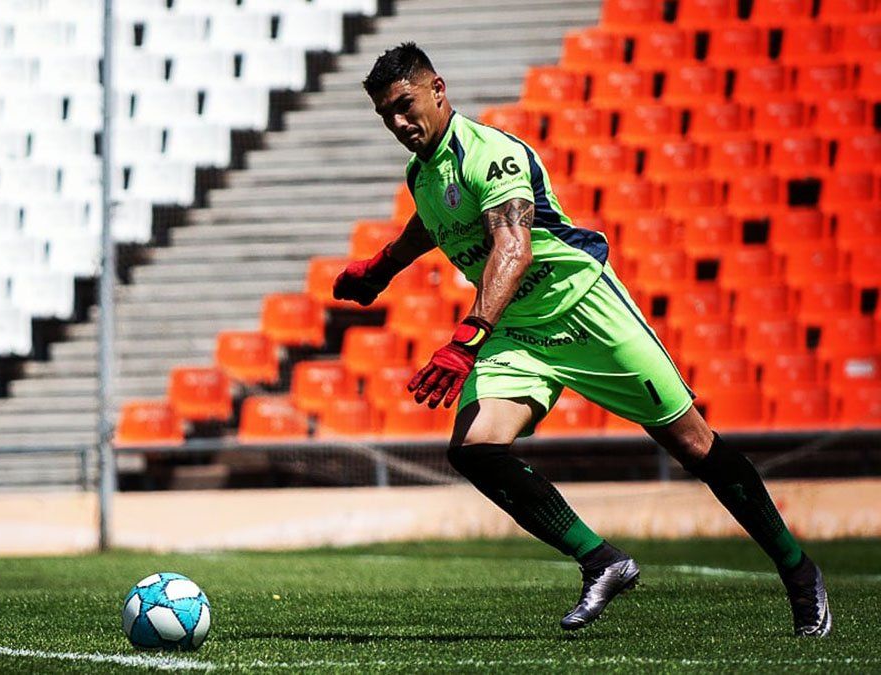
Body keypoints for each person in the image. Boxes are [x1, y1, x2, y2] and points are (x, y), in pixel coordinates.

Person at [334, 42, 830, 636]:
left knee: (695, 447)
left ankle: (799, 572)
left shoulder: (492, 154)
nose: (398, 122)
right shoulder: (422, 173)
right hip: (519, 330)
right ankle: (601, 560)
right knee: (474, 449)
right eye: (385, 114)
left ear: (438, 89)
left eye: (404, 105)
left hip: (587, 310)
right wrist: (384, 266)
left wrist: (466, 340)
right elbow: (435, 218)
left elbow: (512, 247)